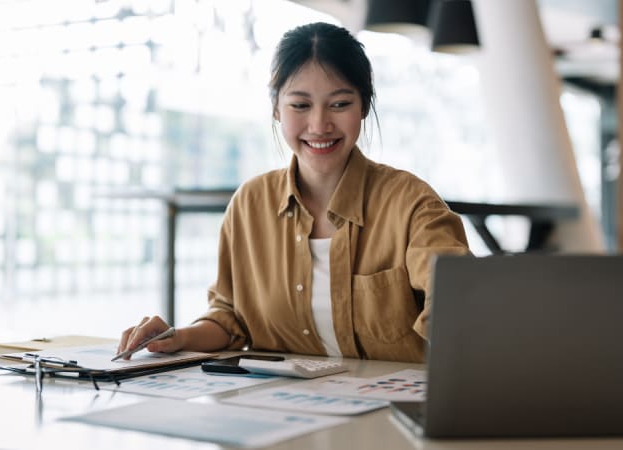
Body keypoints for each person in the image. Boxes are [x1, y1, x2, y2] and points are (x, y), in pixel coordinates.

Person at [117, 22, 469, 363]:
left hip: (393, 408)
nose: (319, 125)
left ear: (363, 106)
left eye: (340, 104)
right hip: (285, 409)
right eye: (300, 105)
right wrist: (177, 338)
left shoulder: (410, 202)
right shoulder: (249, 205)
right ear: (276, 108)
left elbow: (461, 302)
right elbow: (230, 318)